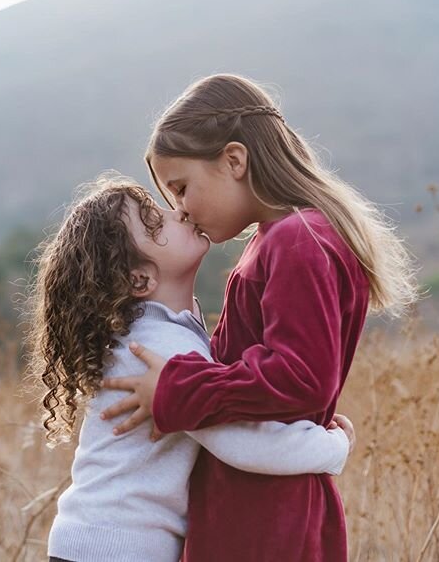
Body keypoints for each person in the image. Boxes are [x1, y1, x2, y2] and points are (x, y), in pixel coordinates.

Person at [100, 74, 419, 561]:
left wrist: (179, 389)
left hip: (263, 512)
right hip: (262, 494)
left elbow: (300, 379)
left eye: (182, 188)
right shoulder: (280, 239)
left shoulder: (297, 239)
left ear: (233, 160)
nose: (180, 211)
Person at [24, 174, 356, 562]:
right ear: (140, 278)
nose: (178, 212)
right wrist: (332, 448)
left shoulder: (170, 334)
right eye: (154, 222)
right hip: (115, 548)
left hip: (99, 542)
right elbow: (241, 442)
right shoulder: (158, 348)